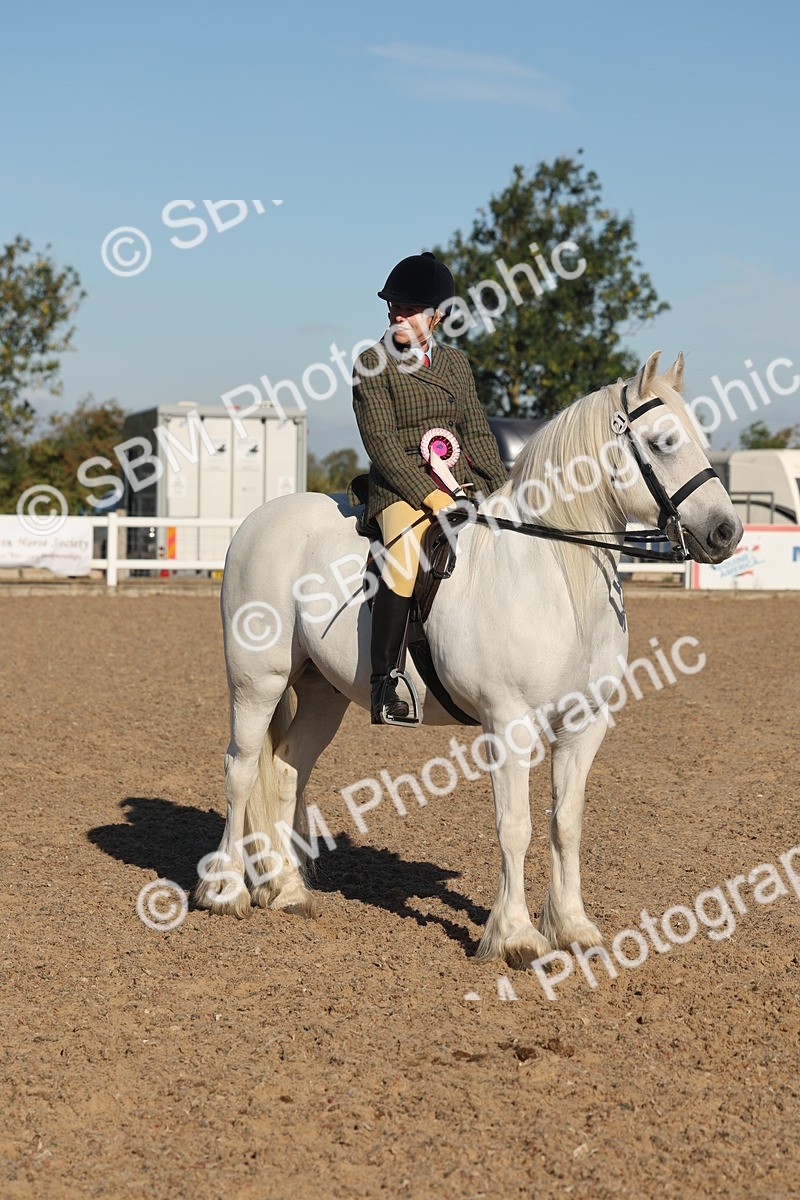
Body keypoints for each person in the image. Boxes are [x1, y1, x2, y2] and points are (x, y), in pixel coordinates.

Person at [351, 251, 509, 724]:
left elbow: (477, 433)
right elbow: (380, 443)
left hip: (463, 479)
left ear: (436, 317)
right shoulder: (371, 363)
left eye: (409, 308)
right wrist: (432, 496)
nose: (397, 314)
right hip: (401, 489)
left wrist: (503, 490)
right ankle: (386, 684)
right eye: (394, 306)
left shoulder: (457, 366)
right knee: (403, 556)